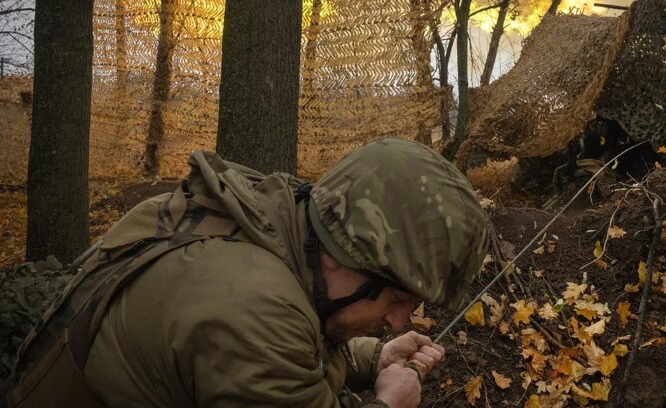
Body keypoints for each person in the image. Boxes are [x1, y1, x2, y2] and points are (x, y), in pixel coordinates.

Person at [3, 138, 489, 408]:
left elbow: (294, 349)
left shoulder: (266, 223)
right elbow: (269, 344)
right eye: (397, 301)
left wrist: (373, 359)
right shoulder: (252, 308)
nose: (400, 321)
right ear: (345, 257)